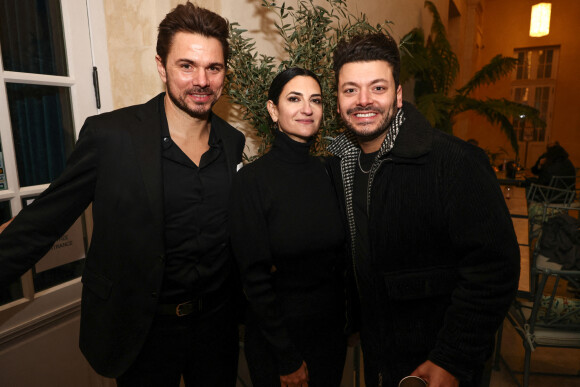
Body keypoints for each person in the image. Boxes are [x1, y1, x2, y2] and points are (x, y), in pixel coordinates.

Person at [0, 2, 245, 386]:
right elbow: (43, 221)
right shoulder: (111, 137)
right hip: (142, 332)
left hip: (216, 328)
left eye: (213, 68)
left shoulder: (232, 142)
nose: (202, 80)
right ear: (161, 66)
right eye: (187, 65)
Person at [325, 32, 520, 387]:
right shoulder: (342, 164)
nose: (363, 100)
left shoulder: (455, 163)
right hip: (378, 356)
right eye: (350, 89)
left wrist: (452, 358)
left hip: (439, 366)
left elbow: (495, 270)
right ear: (338, 101)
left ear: (398, 96)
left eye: (378, 88)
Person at [229, 68, 347, 387]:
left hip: (330, 337)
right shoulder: (251, 182)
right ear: (273, 110)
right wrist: (286, 357)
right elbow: (253, 280)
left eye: (316, 100)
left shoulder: (330, 172)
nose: (306, 109)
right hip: (278, 341)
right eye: (294, 99)